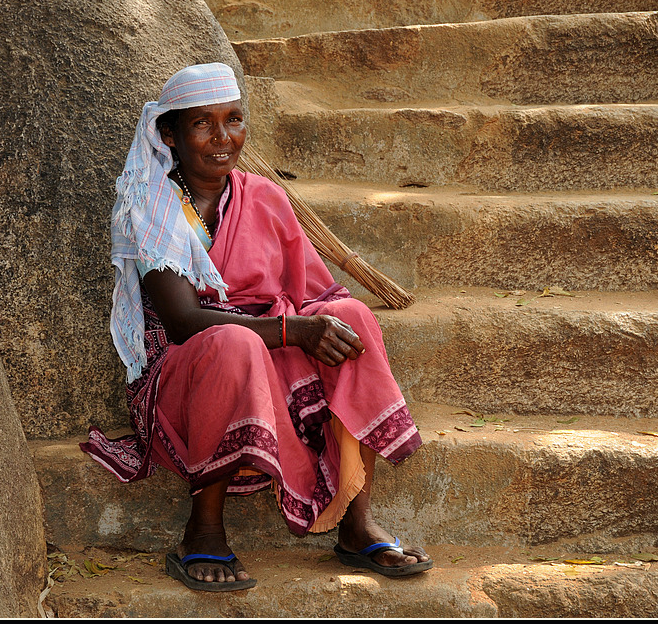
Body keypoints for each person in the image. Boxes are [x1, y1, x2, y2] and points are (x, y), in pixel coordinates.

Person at [81, 62, 432, 591]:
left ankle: (356, 525)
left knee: (352, 316)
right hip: (189, 371)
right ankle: (203, 531)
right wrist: (295, 333)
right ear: (170, 135)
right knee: (231, 340)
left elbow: (318, 294)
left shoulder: (263, 196)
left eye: (234, 120)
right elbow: (182, 321)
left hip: (273, 350)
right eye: (203, 124)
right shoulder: (149, 206)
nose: (223, 138)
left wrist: (312, 327)